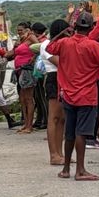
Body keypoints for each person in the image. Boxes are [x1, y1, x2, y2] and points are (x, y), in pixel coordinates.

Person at [47, 12, 99, 181]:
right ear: (90, 28)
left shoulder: (64, 43)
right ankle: (80, 170)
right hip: (87, 96)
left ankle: (67, 168)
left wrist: (62, 33)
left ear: (74, 27)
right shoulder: (94, 46)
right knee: (81, 133)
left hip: (68, 95)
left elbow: (48, 48)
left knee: (69, 133)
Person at [40, 18, 68, 166]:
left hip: (65, 79)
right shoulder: (46, 45)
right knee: (54, 118)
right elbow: (59, 62)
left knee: (62, 119)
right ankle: (53, 154)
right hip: (54, 77)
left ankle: (60, 152)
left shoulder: (64, 44)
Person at [13, 24, 40, 135]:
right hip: (20, 70)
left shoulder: (31, 37)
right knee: (23, 98)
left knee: (28, 98)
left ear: (27, 30)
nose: (19, 32)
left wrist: (33, 58)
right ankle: (26, 124)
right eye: (18, 30)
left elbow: (40, 46)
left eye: (21, 30)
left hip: (28, 70)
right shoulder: (22, 39)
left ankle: (30, 126)